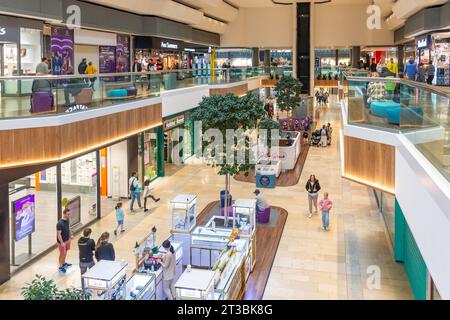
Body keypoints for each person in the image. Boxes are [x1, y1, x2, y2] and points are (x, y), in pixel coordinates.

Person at [56, 208, 73, 273]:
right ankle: (60, 266)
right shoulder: (59, 223)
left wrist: (71, 234)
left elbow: (69, 227)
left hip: (67, 239)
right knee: (62, 253)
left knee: (65, 252)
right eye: (68, 214)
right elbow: (58, 234)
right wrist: (61, 242)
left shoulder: (67, 220)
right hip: (62, 242)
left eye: (69, 214)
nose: (69, 215)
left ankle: (63, 263)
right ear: (64, 214)